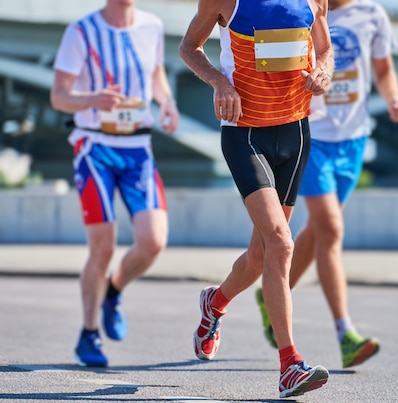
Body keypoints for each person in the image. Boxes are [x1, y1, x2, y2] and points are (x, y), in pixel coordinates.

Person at [177, 0, 334, 398]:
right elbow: (189, 48)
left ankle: (214, 303)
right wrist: (221, 83)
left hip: (295, 134)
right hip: (245, 133)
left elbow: (325, 48)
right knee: (281, 243)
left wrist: (323, 72)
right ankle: (289, 366)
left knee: (261, 256)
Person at [255, 0, 398, 368]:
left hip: (354, 140)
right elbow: (272, 61)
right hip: (312, 134)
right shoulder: (300, 8)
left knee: (323, 229)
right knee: (331, 227)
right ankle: (346, 335)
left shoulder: (372, 15)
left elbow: (384, 68)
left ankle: (274, 292)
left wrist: (394, 99)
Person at [50, 0, 180, 367]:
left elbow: (156, 75)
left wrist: (167, 102)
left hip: (139, 147)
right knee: (103, 246)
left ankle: (114, 289)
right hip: (95, 147)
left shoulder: (152, 25)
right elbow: (59, 96)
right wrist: (94, 99)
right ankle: (89, 333)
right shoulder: (81, 31)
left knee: (153, 242)